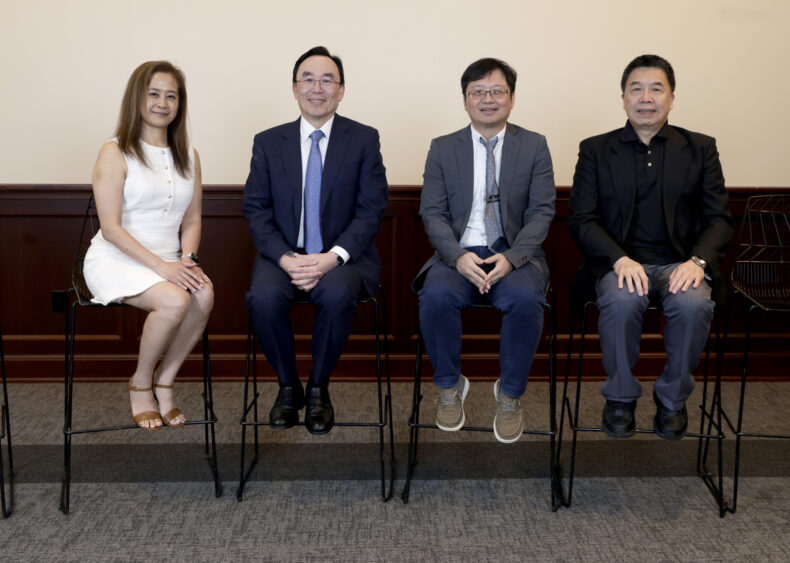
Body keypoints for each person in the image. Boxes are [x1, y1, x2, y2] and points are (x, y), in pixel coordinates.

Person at [568, 54, 733, 440]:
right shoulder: (595, 150)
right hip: (621, 265)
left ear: (672, 98)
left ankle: (672, 400)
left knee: (694, 305)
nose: (646, 97)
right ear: (623, 98)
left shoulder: (700, 148)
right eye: (636, 89)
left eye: (656, 89)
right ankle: (621, 398)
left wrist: (697, 261)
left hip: (681, 264)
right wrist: (618, 259)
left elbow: (719, 219)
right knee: (622, 301)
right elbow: (582, 219)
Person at [243, 46, 388, 435]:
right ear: (294, 88)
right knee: (264, 298)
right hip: (282, 255)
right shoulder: (269, 142)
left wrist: (331, 258)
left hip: (344, 257)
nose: (317, 88)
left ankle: (319, 386)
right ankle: (288, 386)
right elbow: (256, 209)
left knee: (336, 295)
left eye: (328, 80)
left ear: (342, 91)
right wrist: (288, 259)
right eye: (308, 79)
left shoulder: (363, 139)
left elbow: (371, 209)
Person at [413, 57, 555, 443]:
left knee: (527, 299)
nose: (488, 99)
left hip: (514, 252)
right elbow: (433, 212)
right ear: (465, 100)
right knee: (437, 294)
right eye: (478, 91)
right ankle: (448, 385)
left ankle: (509, 394)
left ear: (511, 98)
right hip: (458, 252)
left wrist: (511, 258)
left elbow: (542, 212)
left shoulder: (534, 145)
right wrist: (457, 257)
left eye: (497, 91)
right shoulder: (443, 148)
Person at [84, 61, 213, 431]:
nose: (162, 102)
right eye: (154, 93)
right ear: (136, 99)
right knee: (175, 299)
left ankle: (165, 382)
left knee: (203, 294)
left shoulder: (189, 155)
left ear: (179, 105)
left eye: (171, 96)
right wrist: (165, 268)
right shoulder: (115, 151)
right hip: (117, 258)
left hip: (170, 260)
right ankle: (140, 383)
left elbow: (192, 220)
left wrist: (186, 259)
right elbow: (110, 229)